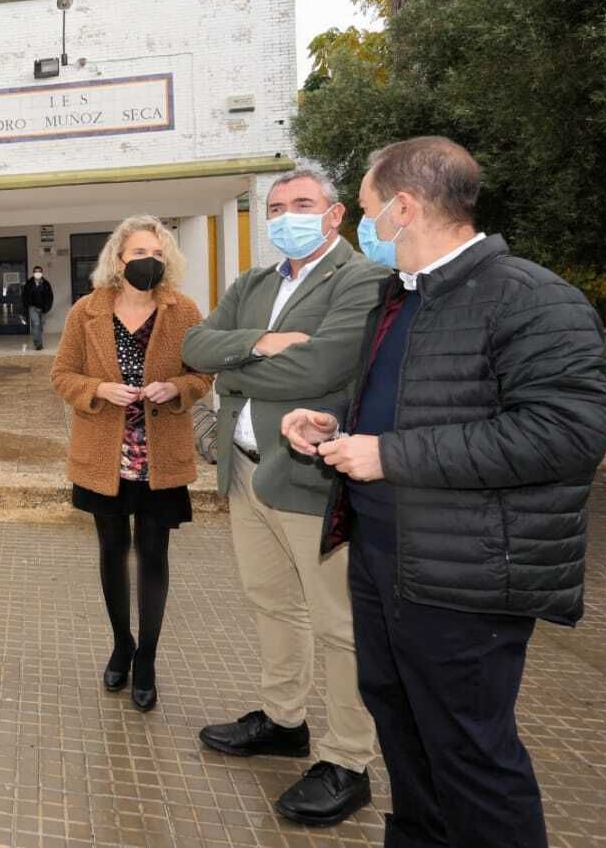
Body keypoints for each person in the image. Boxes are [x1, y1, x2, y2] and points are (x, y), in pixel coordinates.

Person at [280, 137, 606, 848]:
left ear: (404, 207)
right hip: (385, 559)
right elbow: (418, 404)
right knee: (403, 733)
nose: (360, 228)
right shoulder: (399, 299)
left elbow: (566, 434)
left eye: (365, 211)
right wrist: (339, 423)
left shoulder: (533, 298)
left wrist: (388, 454)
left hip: (467, 575)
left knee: (469, 754)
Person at [181, 169, 389, 827]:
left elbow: (324, 366)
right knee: (272, 602)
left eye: (302, 204)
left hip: (312, 478)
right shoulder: (254, 282)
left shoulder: (358, 280)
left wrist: (234, 359)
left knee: (339, 624)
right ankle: (283, 719)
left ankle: (348, 761)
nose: (286, 216)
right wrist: (258, 344)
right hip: (247, 472)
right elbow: (195, 344)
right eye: (276, 208)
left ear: (333, 216)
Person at [52, 215, 212, 712]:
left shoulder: (182, 309)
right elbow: (62, 374)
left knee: (154, 556)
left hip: (159, 456)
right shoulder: (87, 311)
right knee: (112, 551)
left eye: (159, 254)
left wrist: (178, 388)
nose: (150, 261)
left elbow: (202, 373)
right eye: (141, 252)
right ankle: (121, 643)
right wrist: (98, 389)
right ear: (118, 259)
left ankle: (148, 658)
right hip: (105, 455)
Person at [22, 265, 54, 350]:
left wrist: (48, 307)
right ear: (33, 273)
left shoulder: (46, 284)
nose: (37, 273)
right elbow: (24, 295)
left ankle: (38, 341)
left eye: (39, 271)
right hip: (33, 307)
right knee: (36, 324)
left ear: (42, 273)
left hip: (43, 308)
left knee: (41, 326)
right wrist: (26, 306)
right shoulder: (29, 283)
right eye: (36, 271)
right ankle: (38, 344)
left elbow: (50, 296)